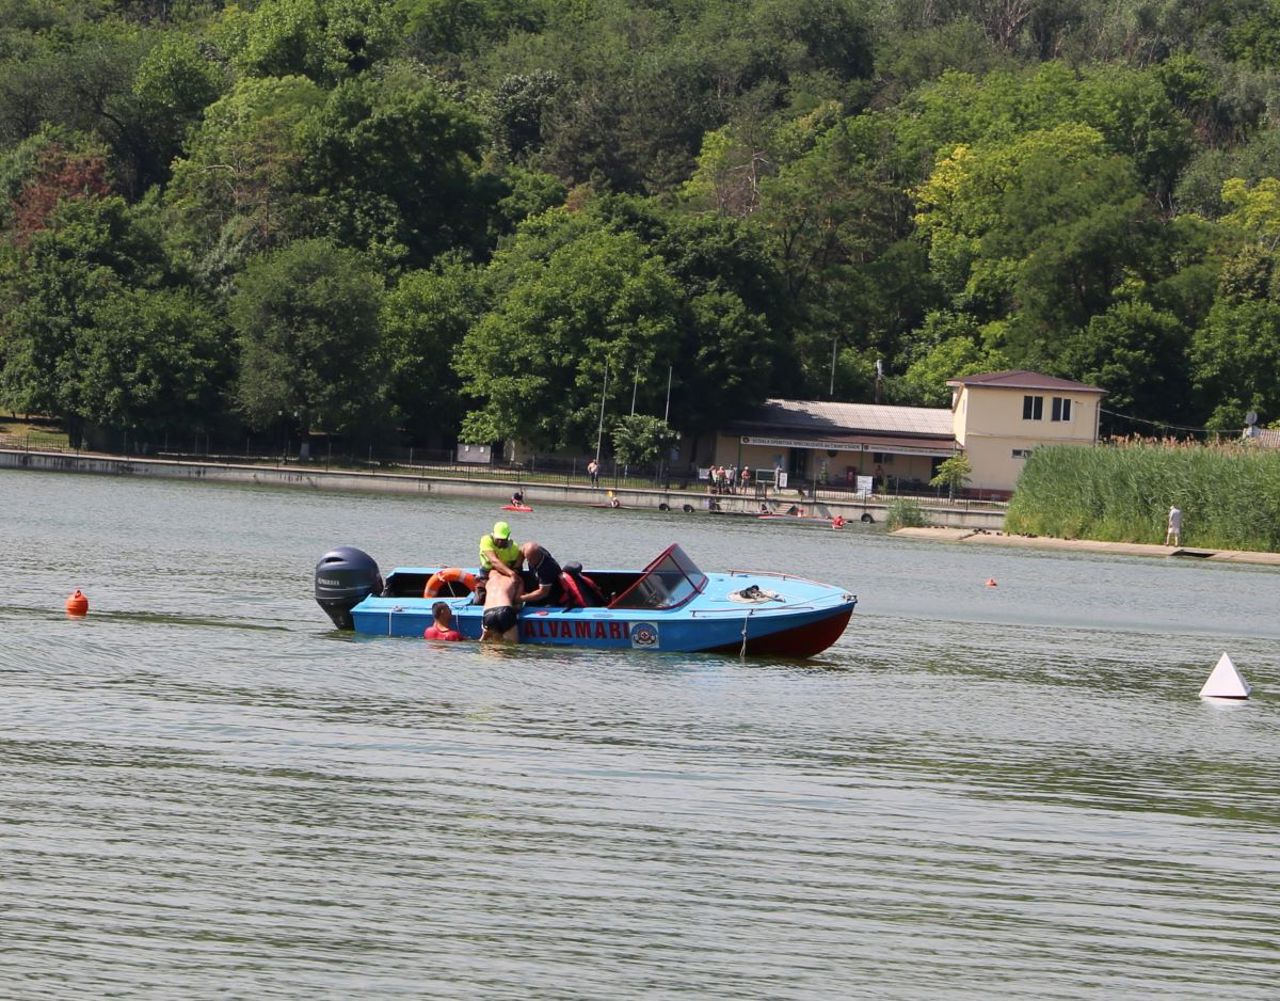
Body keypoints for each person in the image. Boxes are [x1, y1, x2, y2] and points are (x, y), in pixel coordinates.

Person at [477, 520, 521, 601]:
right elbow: (494, 561)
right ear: (493, 534)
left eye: (503, 539)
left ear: (508, 536)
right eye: (498, 539)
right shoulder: (486, 540)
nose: (500, 542)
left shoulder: (514, 548)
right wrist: (511, 573)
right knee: (480, 599)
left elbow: (517, 567)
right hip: (487, 572)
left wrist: (512, 575)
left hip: (506, 574)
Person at [480, 569, 521, 642]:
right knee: (513, 646)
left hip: (488, 613)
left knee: (493, 646)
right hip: (505, 610)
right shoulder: (514, 579)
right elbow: (518, 603)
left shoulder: (488, 582)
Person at [520, 541, 563, 606]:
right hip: (537, 582)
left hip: (549, 595)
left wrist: (521, 598)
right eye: (527, 559)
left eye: (530, 559)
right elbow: (523, 548)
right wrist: (516, 567)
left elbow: (543, 592)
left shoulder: (548, 568)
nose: (528, 561)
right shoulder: (534, 550)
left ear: (538, 557)